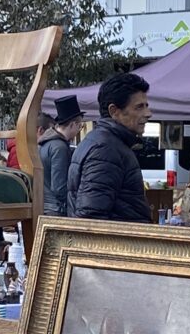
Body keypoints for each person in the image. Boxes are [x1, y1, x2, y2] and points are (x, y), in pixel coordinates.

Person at [67, 73, 151, 223]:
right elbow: (90, 220)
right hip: (118, 245)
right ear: (114, 111)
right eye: (139, 107)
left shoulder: (108, 143)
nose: (148, 113)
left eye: (146, 106)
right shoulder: (106, 148)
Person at [38, 95, 84, 217]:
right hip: (56, 209)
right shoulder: (59, 147)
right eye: (80, 126)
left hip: (44, 206)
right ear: (73, 124)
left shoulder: (45, 143)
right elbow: (59, 187)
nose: (79, 130)